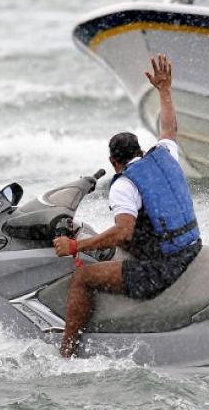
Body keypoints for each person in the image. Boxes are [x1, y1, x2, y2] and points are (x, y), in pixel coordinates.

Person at [52, 54, 200, 358]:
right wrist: (164, 90)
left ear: (112, 162)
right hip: (191, 248)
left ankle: (66, 354)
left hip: (164, 268)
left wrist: (74, 247)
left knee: (82, 278)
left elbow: (122, 232)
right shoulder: (164, 153)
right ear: (141, 150)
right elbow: (169, 128)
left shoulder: (124, 184)